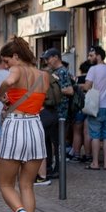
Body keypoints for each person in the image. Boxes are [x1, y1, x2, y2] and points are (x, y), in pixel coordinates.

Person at [0, 37, 50, 212]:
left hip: (16, 125)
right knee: (27, 184)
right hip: (35, 127)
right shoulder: (44, 75)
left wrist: (1, 95)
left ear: (16, 57)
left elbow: (9, 82)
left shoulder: (16, 70)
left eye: (7, 61)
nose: (7, 66)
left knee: (5, 183)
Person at [39, 48, 75, 185]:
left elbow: (70, 90)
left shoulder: (62, 72)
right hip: (53, 113)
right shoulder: (54, 72)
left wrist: (56, 91)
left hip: (61, 113)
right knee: (48, 141)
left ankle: (58, 169)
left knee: (57, 142)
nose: (47, 61)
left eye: (48, 58)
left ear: (56, 57)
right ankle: (48, 167)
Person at [82, 46, 106, 170]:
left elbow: (87, 87)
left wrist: (78, 86)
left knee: (95, 135)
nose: (89, 58)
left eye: (91, 55)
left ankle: (95, 162)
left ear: (98, 55)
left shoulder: (93, 69)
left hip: (95, 106)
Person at [69, 61, 93, 163]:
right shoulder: (91, 80)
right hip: (90, 107)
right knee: (87, 132)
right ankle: (88, 156)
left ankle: (76, 155)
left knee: (77, 132)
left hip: (78, 108)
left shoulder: (77, 79)